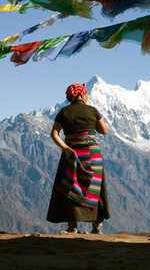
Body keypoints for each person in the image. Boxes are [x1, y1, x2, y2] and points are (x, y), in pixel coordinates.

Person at [47, 82, 110, 234]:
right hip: (92, 155)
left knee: (71, 186)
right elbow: (104, 131)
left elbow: (54, 134)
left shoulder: (63, 112)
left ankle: (72, 226)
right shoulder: (92, 110)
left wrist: (66, 148)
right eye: (86, 93)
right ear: (81, 94)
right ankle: (97, 226)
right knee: (95, 188)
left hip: (72, 154)